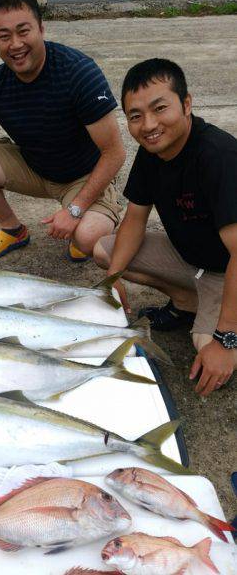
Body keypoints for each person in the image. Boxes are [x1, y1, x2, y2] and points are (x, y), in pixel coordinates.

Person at [0, 0, 125, 262]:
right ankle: (13, 230)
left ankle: (89, 217)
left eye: (24, 31)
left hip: (84, 175)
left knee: (87, 239)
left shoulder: (78, 73)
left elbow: (115, 152)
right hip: (35, 167)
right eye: (4, 36)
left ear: (41, 30)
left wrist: (75, 210)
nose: (15, 44)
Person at [93, 58, 237, 397]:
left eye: (160, 108)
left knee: (208, 353)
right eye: (136, 116)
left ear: (186, 104)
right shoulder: (150, 154)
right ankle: (187, 300)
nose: (149, 124)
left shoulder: (218, 156)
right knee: (105, 251)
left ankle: (222, 320)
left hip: (227, 269)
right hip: (192, 261)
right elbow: (134, 221)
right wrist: (111, 283)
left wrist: (226, 338)